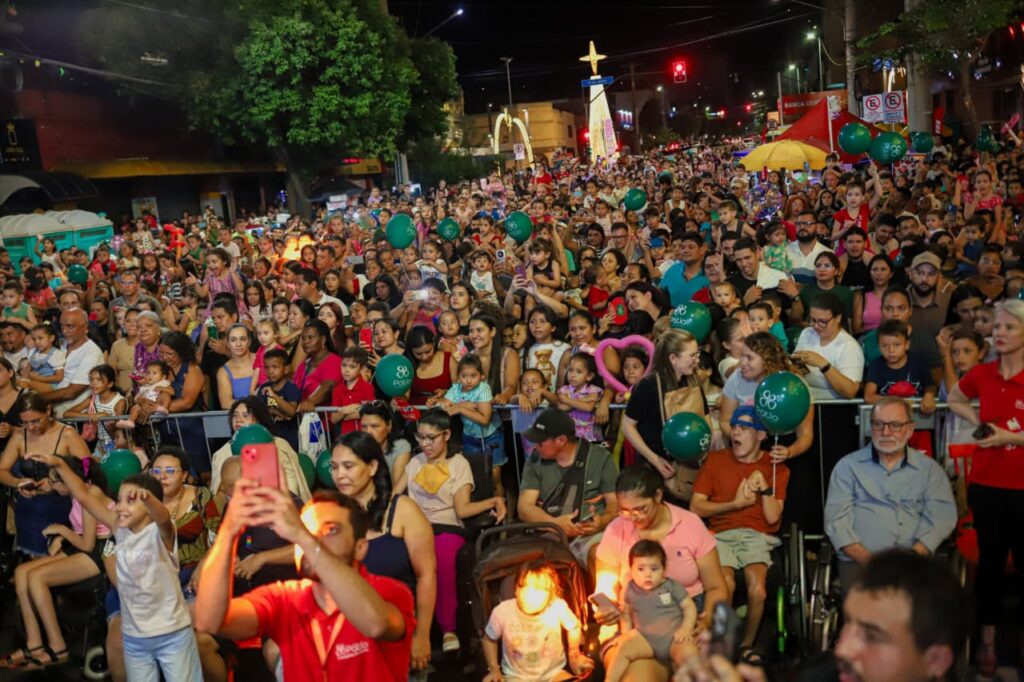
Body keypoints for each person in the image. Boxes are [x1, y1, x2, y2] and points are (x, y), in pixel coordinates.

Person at [195, 488, 415, 681]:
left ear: (360, 548)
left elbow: (375, 623)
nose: (313, 541)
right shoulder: (285, 598)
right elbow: (212, 619)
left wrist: (302, 535)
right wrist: (229, 532)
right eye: (309, 530)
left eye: (330, 531)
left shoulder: (387, 591)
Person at [46, 458, 203, 680]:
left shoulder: (161, 535)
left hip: (172, 634)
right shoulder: (118, 528)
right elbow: (82, 495)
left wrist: (148, 498)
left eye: (130, 501)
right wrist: (59, 465)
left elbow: (164, 518)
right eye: (119, 500)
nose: (120, 507)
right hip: (135, 637)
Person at [946, 298, 1024, 674]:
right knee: (990, 567)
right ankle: (988, 644)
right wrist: (980, 420)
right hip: (987, 484)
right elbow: (954, 396)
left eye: (1009, 327)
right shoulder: (983, 374)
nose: (1000, 333)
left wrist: (1009, 436)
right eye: (997, 327)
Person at [595, 467, 727, 682]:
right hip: (635, 625)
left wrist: (706, 619)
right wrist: (606, 609)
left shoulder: (689, 524)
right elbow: (605, 588)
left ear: (658, 496)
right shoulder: (616, 530)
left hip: (684, 621)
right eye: (624, 510)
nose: (632, 517)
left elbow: (716, 587)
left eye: (640, 509)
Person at [329, 431, 436, 672]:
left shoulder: (403, 511)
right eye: (334, 467)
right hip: (348, 634)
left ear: (373, 466)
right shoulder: (331, 514)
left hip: (396, 631)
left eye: (348, 466)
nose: (340, 475)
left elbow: (426, 576)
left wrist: (422, 635)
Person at [824, 397, 957, 591]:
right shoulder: (847, 467)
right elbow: (837, 522)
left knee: (923, 610)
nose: (886, 432)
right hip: (860, 563)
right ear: (871, 427)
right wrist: (871, 562)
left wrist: (914, 555)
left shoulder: (929, 470)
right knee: (867, 612)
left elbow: (941, 517)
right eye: (879, 424)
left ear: (910, 429)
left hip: (914, 562)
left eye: (895, 425)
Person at [691, 406, 788, 662]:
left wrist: (764, 486)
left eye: (744, 428)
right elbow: (696, 506)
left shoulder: (775, 467)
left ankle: (746, 645)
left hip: (757, 535)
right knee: (726, 584)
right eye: (734, 427)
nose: (736, 432)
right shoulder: (716, 460)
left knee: (758, 591)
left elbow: (772, 518)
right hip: (720, 534)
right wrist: (735, 504)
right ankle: (724, 646)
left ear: (760, 435)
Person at [406, 409, 506, 653]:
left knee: (440, 558)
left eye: (431, 438)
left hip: (446, 525)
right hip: (414, 526)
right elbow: (398, 495)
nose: (425, 444)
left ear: (447, 434)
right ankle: (406, 628)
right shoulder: (415, 462)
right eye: (421, 438)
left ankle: (448, 628)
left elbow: (462, 509)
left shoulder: (459, 464)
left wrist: (493, 501)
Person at [2, 455, 109, 669]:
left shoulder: (90, 495)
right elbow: (61, 493)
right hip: (80, 546)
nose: (50, 485)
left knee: (37, 577)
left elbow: (88, 544)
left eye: (54, 481)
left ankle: (58, 647)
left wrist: (61, 531)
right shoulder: (76, 489)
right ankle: (34, 645)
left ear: (68, 479)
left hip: (99, 551)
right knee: (23, 572)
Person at [518, 409, 619, 567]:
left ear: (561, 440)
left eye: (540, 442)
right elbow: (525, 507)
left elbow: (615, 504)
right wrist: (555, 524)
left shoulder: (600, 458)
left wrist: (602, 522)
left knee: (601, 555)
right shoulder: (534, 460)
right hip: (548, 535)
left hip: (590, 536)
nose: (535, 447)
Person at [0, 392, 90, 557]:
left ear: (48, 411)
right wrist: (17, 482)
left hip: (62, 509)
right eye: (25, 423)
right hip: (27, 511)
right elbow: (2, 470)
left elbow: (88, 471)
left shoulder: (68, 435)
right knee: (26, 562)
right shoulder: (20, 436)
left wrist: (58, 483)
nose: (31, 427)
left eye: (35, 421)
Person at [482, 562, 594, 682]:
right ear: (515, 589)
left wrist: (574, 655)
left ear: (551, 595)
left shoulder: (557, 606)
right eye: (524, 587)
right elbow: (488, 639)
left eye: (539, 590)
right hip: (516, 676)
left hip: (553, 674)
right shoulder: (503, 611)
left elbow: (574, 627)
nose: (530, 595)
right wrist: (494, 669)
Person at [604, 540, 699, 682]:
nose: (647, 574)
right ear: (631, 569)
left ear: (664, 569)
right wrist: (626, 634)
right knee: (622, 650)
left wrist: (686, 628)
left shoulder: (671, 586)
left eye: (654, 569)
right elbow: (626, 615)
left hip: (674, 637)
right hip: (645, 638)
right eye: (641, 569)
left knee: (691, 657)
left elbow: (689, 607)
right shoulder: (629, 590)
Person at [622, 329, 707, 486]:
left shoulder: (693, 380)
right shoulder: (648, 385)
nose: (697, 360)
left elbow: (704, 418)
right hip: (657, 467)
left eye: (697, 354)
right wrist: (655, 459)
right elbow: (628, 426)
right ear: (673, 358)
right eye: (692, 356)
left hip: (690, 464)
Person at [209, 398, 311, 502]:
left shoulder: (278, 445)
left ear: (259, 420)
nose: (238, 420)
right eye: (235, 415)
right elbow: (217, 490)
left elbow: (290, 484)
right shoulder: (222, 452)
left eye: (245, 415)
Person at [216, 323, 256, 409]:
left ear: (249, 342)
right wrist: (254, 405)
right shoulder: (223, 371)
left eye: (243, 339)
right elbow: (226, 403)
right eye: (233, 340)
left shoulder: (261, 360)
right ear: (228, 343)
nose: (238, 344)